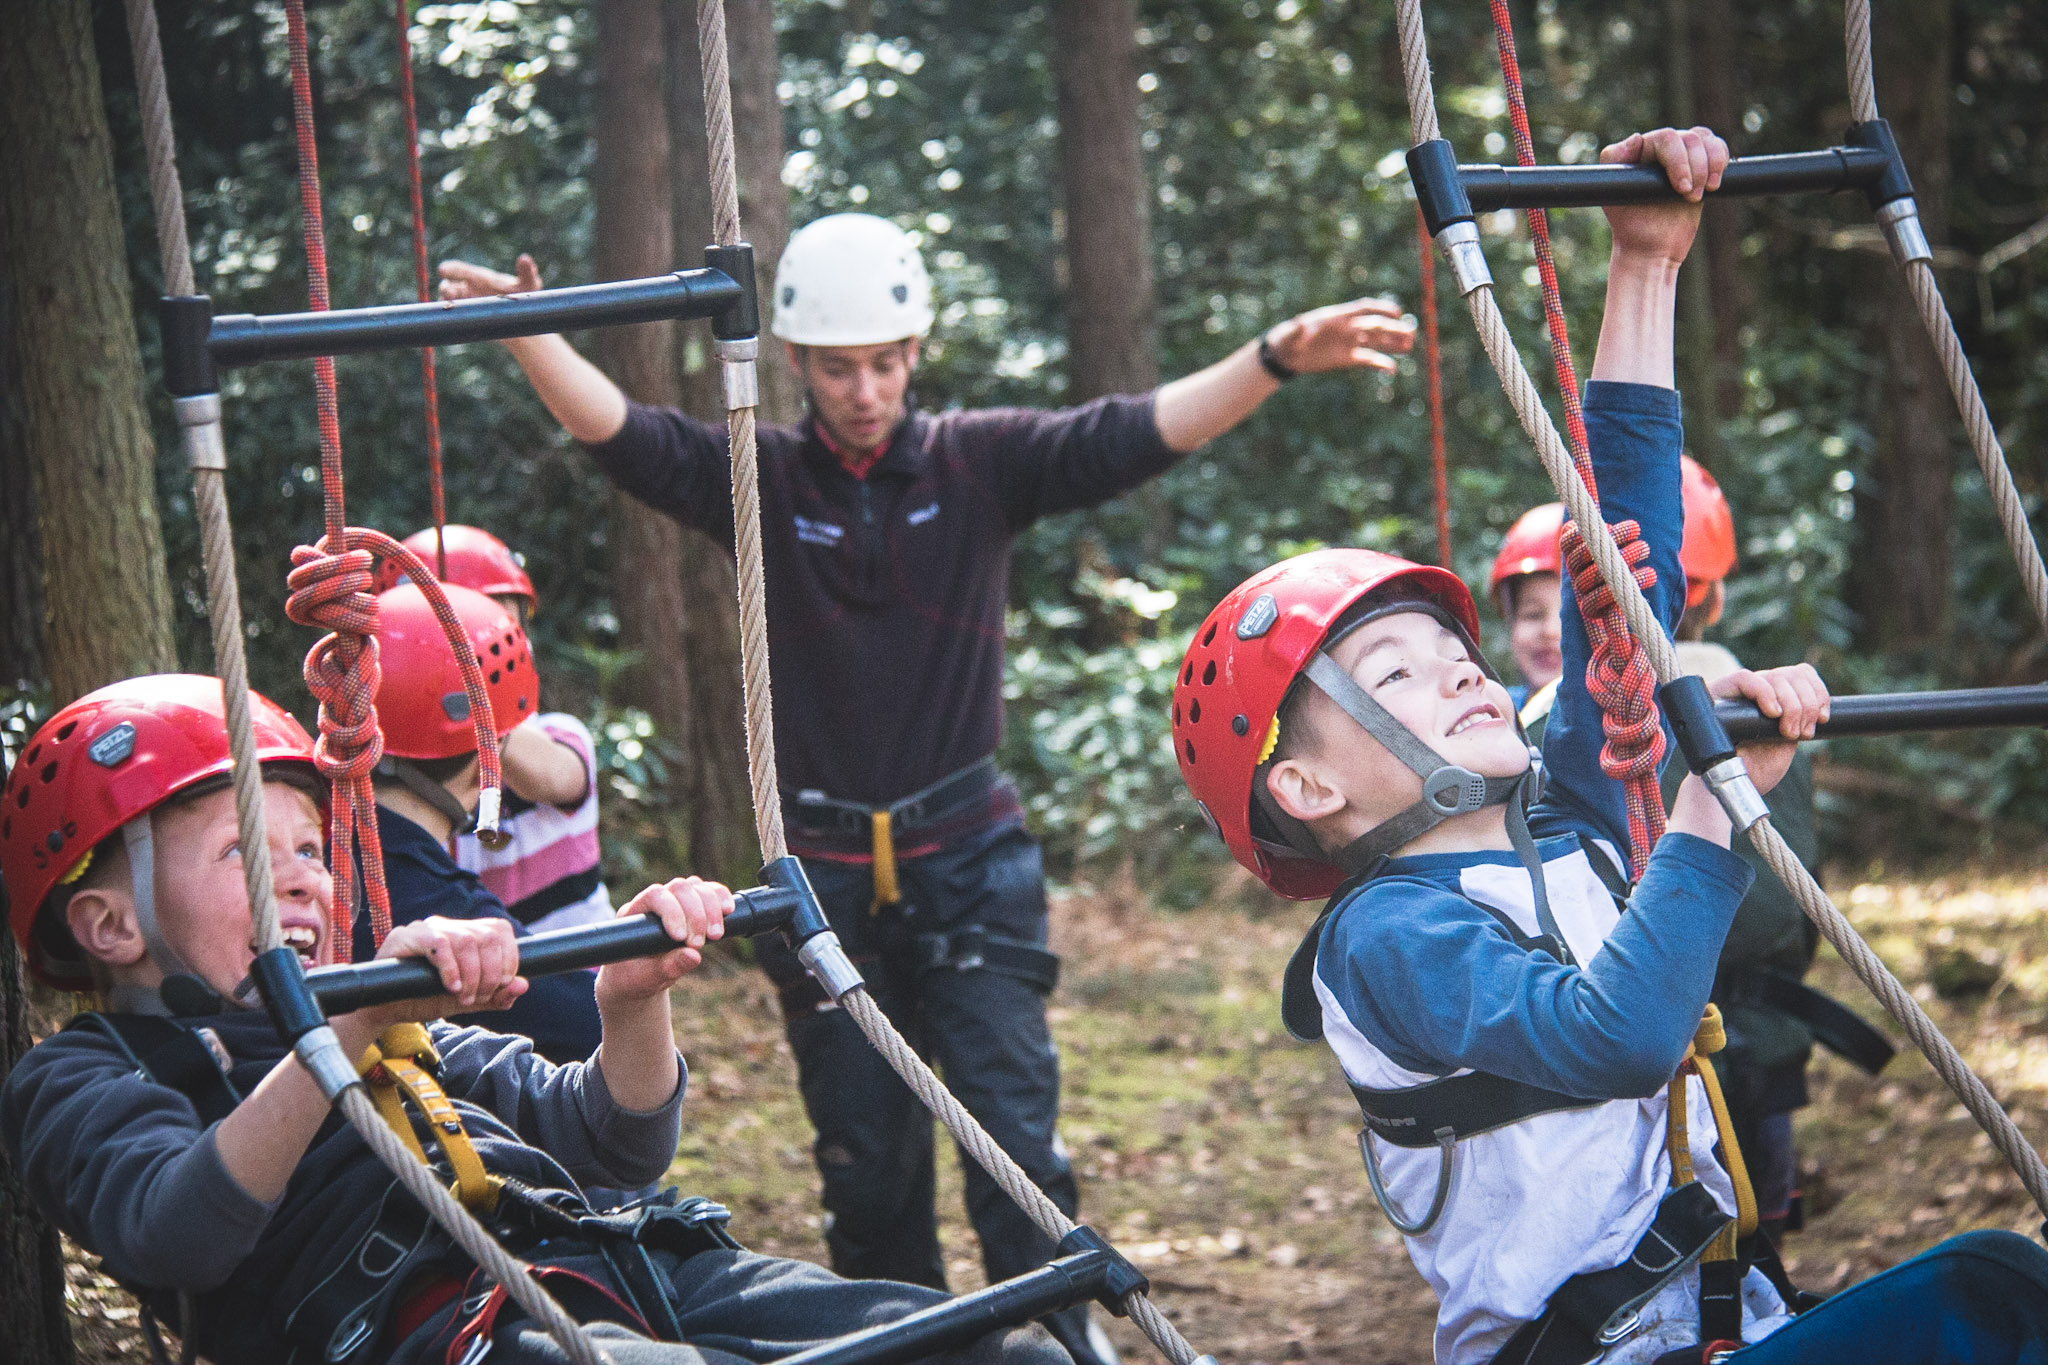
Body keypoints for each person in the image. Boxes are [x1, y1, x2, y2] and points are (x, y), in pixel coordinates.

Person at [438, 211, 1416, 1362]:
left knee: (1012, 1139)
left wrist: (1267, 360)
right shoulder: (752, 477)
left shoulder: (975, 464)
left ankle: (1057, 1348)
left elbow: (1125, 435)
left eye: (886, 361)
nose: (864, 389)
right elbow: (625, 436)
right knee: (867, 1164)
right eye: (840, 366)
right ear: (797, 364)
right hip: (821, 879)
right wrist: (531, 330)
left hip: (969, 862)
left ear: (916, 352)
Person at [1168, 126, 2048, 1365]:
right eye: (1394, 676)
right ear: (1306, 785)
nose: (1461, 669)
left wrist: (1644, 266)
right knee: (1992, 1301)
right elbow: (1611, 1035)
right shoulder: (1379, 945)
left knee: (2000, 1289)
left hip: (1718, 1325)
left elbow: (1622, 574)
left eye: (1451, 650)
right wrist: (1713, 800)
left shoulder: (1570, 818)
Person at [0, 674, 1068, 1365]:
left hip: (621, 1265)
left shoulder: (404, 1031)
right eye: (245, 854)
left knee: (995, 1353)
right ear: (107, 925)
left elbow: (615, 1142)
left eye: (312, 853)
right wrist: (358, 1028)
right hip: (416, 1329)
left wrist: (629, 1004)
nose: (304, 884)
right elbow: (172, 1233)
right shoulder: (87, 1075)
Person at [1517, 457, 1895, 1244]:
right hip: (1702, 1039)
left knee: (1714, 1244)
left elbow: (1776, 904)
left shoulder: (1730, 718)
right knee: (1723, 1250)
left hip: (1700, 1046)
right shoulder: (1752, 717)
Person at [361, 581, 602, 1066]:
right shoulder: (442, 908)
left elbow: (561, 773)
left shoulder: (310, 852)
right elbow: (591, 1025)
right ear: (485, 763)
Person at [380, 524, 616, 938]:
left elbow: (558, 776)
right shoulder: (404, 782)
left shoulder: (562, 735)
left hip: (593, 979)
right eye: (479, 635)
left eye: (507, 630)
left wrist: (462, 697)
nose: (507, 648)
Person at [1488, 501, 1566, 708]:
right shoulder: (1498, 713)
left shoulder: (1629, 724)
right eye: (1533, 615)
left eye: (1569, 617)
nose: (1551, 631)